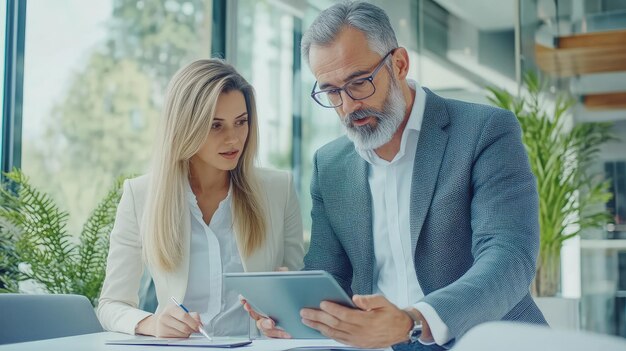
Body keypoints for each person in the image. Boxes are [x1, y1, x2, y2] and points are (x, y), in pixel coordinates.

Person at [245, 2, 547, 350]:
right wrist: (292, 312)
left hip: (490, 341)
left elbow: (509, 256)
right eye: (331, 91)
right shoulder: (329, 164)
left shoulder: (484, 131)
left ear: (399, 64)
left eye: (359, 83)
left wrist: (414, 322)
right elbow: (330, 276)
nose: (347, 105)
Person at [97, 59, 305, 338]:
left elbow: (298, 299)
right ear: (185, 128)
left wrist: (285, 309)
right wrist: (154, 324)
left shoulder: (279, 189)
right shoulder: (140, 196)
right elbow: (112, 304)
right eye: (215, 125)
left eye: (241, 122)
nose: (233, 139)